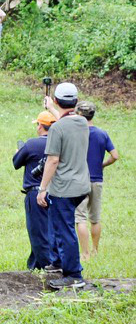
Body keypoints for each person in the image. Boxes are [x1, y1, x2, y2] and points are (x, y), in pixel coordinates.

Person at [37, 83, 90, 289]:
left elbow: (52, 160)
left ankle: (74, 275)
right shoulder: (82, 123)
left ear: (57, 100)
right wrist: (52, 109)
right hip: (81, 185)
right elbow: (65, 125)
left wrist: (42, 188)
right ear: (76, 102)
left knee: (65, 230)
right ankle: (59, 262)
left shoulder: (58, 127)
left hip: (63, 189)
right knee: (60, 225)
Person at [13, 111, 60, 271]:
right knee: (51, 230)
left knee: (37, 232)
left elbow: (16, 163)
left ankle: (48, 266)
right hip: (57, 192)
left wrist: (18, 152)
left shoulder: (32, 143)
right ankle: (35, 264)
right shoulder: (61, 143)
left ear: (40, 126)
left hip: (35, 192)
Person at [74, 101, 119, 261]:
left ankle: (84, 254)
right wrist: (102, 165)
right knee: (95, 218)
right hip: (97, 180)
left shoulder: (77, 133)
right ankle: (95, 251)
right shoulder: (102, 134)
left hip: (80, 180)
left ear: (79, 114)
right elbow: (115, 156)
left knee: (80, 218)